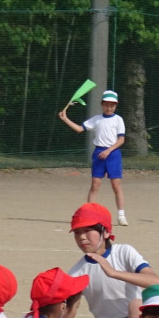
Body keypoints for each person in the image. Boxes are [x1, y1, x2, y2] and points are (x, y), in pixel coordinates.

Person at [67, 202, 159, 318]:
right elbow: (66, 314)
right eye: (77, 233)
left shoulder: (124, 252)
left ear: (106, 232)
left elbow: (154, 281)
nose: (82, 237)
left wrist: (114, 273)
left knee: (136, 305)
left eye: (88, 231)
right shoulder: (77, 272)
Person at [57, 89, 129, 227]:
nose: (109, 107)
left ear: (116, 106)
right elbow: (79, 129)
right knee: (95, 185)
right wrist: (65, 118)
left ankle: (121, 215)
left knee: (116, 185)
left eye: (112, 105)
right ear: (102, 104)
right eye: (107, 104)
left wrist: (108, 151)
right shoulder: (96, 119)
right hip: (98, 154)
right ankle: (89, 215)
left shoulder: (118, 119)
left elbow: (121, 140)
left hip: (113, 154)